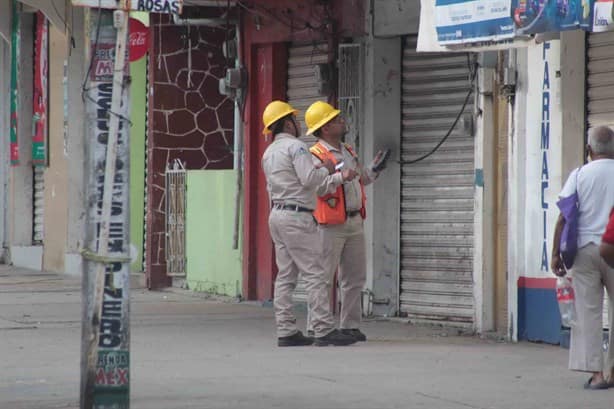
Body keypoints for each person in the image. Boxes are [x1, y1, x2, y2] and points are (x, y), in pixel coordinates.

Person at [261, 100, 357, 347]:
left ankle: (286, 330)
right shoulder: (296, 147)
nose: (298, 122)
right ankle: (323, 329)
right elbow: (309, 179)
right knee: (315, 273)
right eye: (294, 118)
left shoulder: (269, 151)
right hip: (297, 216)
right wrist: (326, 169)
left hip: (277, 215)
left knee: (286, 276)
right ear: (287, 123)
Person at [304, 101, 388, 342]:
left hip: (353, 220)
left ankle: (349, 325)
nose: (342, 121)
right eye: (336, 119)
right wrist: (340, 177)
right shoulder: (315, 156)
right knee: (323, 276)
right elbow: (316, 187)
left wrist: (374, 168)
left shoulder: (348, 151)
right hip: (327, 225)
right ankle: (316, 326)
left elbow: (360, 179)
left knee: (354, 276)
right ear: (325, 128)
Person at [551, 125, 614, 389]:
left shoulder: (578, 175)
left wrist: (555, 253)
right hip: (612, 247)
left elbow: (564, 217)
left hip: (585, 251)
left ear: (589, 150)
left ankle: (597, 375)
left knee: (588, 312)